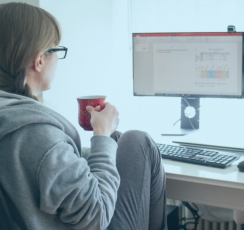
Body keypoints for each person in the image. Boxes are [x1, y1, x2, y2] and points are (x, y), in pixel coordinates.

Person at [0, 2, 167, 230]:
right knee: (138, 142)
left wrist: (106, 140)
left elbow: (46, 168)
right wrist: (101, 136)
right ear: (39, 61)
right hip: (91, 218)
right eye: (57, 51)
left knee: (119, 139)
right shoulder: (35, 131)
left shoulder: (9, 115)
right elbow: (96, 214)